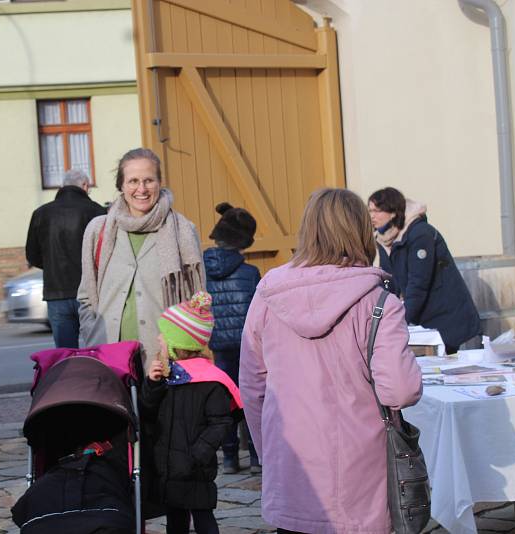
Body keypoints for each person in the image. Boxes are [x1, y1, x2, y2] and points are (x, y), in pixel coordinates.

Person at [240, 188, 422, 534]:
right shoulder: (378, 301)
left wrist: (269, 453)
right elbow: (401, 391)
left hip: (293, 466)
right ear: (359, 231)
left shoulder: (268, 294)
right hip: (360, 475)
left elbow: (252, 386)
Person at [77, 148, 205, 369]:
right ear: (122, 186)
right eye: (133, 181)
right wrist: (92, 333)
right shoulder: (99, 231)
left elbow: (197, 299)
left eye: (149, 180)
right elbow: (86, 296)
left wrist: (181, 350)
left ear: (159, 183)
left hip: (164, 360)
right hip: (110, 358)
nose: (141, 189)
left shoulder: (181, 231)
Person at [140, 291, 242, 534]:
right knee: (175, 522)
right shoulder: (166, 376)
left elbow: (220, 424)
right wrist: (152, 385)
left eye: (163, 337)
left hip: (196, 469)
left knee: (204, 519)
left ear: (178, 344)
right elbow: (146, 412)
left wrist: (196, 455)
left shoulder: (211, 381)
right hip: (169, 468)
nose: (159, 339)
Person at [368, 187, 481, 353]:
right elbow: (389, 282)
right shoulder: (384, 240)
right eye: (369, 210)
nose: (372, 216)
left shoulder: (420, 234)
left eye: (377, 211)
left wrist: (399, 321)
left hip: (450, 321)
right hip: (427, 324)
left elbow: (418, 284)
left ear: (392, 213)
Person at [202, 202, 261, 474]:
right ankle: (256, 454)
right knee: (251, 395)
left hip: (218, 344)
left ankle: (228, 456)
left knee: (224, 396)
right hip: (247, 344)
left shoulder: (204, 271)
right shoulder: (250, 273)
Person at [25, 168, 106, 348]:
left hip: (56, 293)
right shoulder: (97, 211)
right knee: (98, 350)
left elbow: (32, 254)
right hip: (91, 294)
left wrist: (52, 267)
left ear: (62, 186)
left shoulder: (40, 213)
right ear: (85, 186)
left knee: (65, 355)